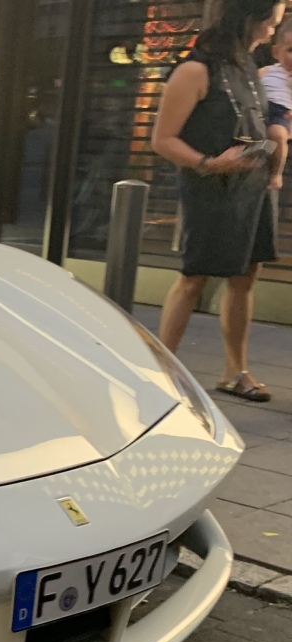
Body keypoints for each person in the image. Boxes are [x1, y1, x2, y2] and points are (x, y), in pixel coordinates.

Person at [151, 0, 286, 402]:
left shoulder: (247, 65)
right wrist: (210, 163)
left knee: (245, 277)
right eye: (268, 23)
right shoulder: (195, 69)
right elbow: (161, 140)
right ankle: (159, 373)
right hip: (210, 187)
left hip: (252, 184)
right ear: (246, 19)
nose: (270, 33)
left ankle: (234, 372)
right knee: (194, 278)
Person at [261, 18, 292, 186]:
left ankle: (275, 173)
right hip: (258, 109)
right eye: (290, 50)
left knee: (278, 135)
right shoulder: (268, 70)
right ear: (276, 52)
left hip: (280, 113)